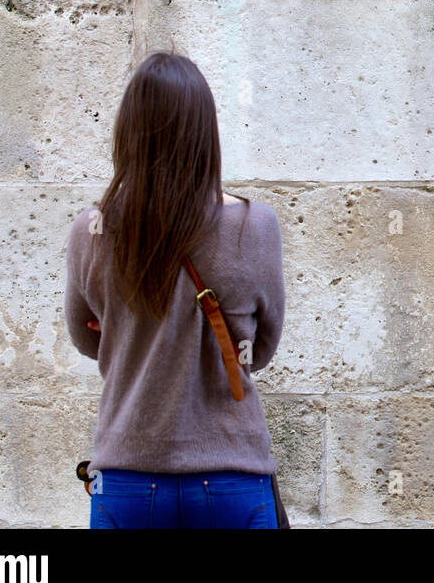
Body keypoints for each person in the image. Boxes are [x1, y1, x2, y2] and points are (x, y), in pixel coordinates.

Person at [64, 51, 286, 528]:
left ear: (127, 133)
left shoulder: (93, 229)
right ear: (206, 133)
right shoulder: (256, 226)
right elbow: (259, 349)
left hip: (125, 475)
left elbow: (87, 340)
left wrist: (127, 327)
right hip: (232, 474)